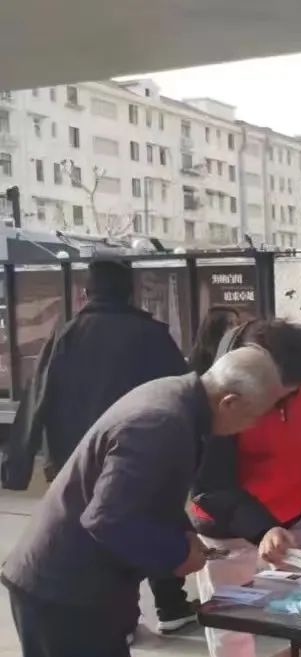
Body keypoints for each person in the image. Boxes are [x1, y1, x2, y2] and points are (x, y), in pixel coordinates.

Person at [2, 346, 292, 657]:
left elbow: (148, 494)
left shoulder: (179, 403)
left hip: (79, 586)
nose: (251, 428)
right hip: (64, 591)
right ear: (230, 402)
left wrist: (183, 533)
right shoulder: (162, 422)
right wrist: (176, 555)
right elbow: (108, 518)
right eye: (254, 417)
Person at [1, 260, 199, 634]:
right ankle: (170, 604)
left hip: (76, 457)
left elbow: (36, 397)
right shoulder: (152, 335)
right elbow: (184, 394)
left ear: (86, 293)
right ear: (130, 292)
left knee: (95, 536)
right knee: (154, 519)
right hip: (142, 454)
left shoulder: (66, 335)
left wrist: (18, 466)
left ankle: (122, 620)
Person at [190, 319, 301, 657]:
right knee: (232, 625)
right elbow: (211, 484)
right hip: (228, 524)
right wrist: (262, 527)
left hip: (294, 508)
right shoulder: (218, 395)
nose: (287, 401)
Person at [189, 305, 240, 375]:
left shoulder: (237, 351)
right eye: (230, 324)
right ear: (216, 328)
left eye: (237, 323)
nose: (237, 328)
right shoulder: (201, 358)